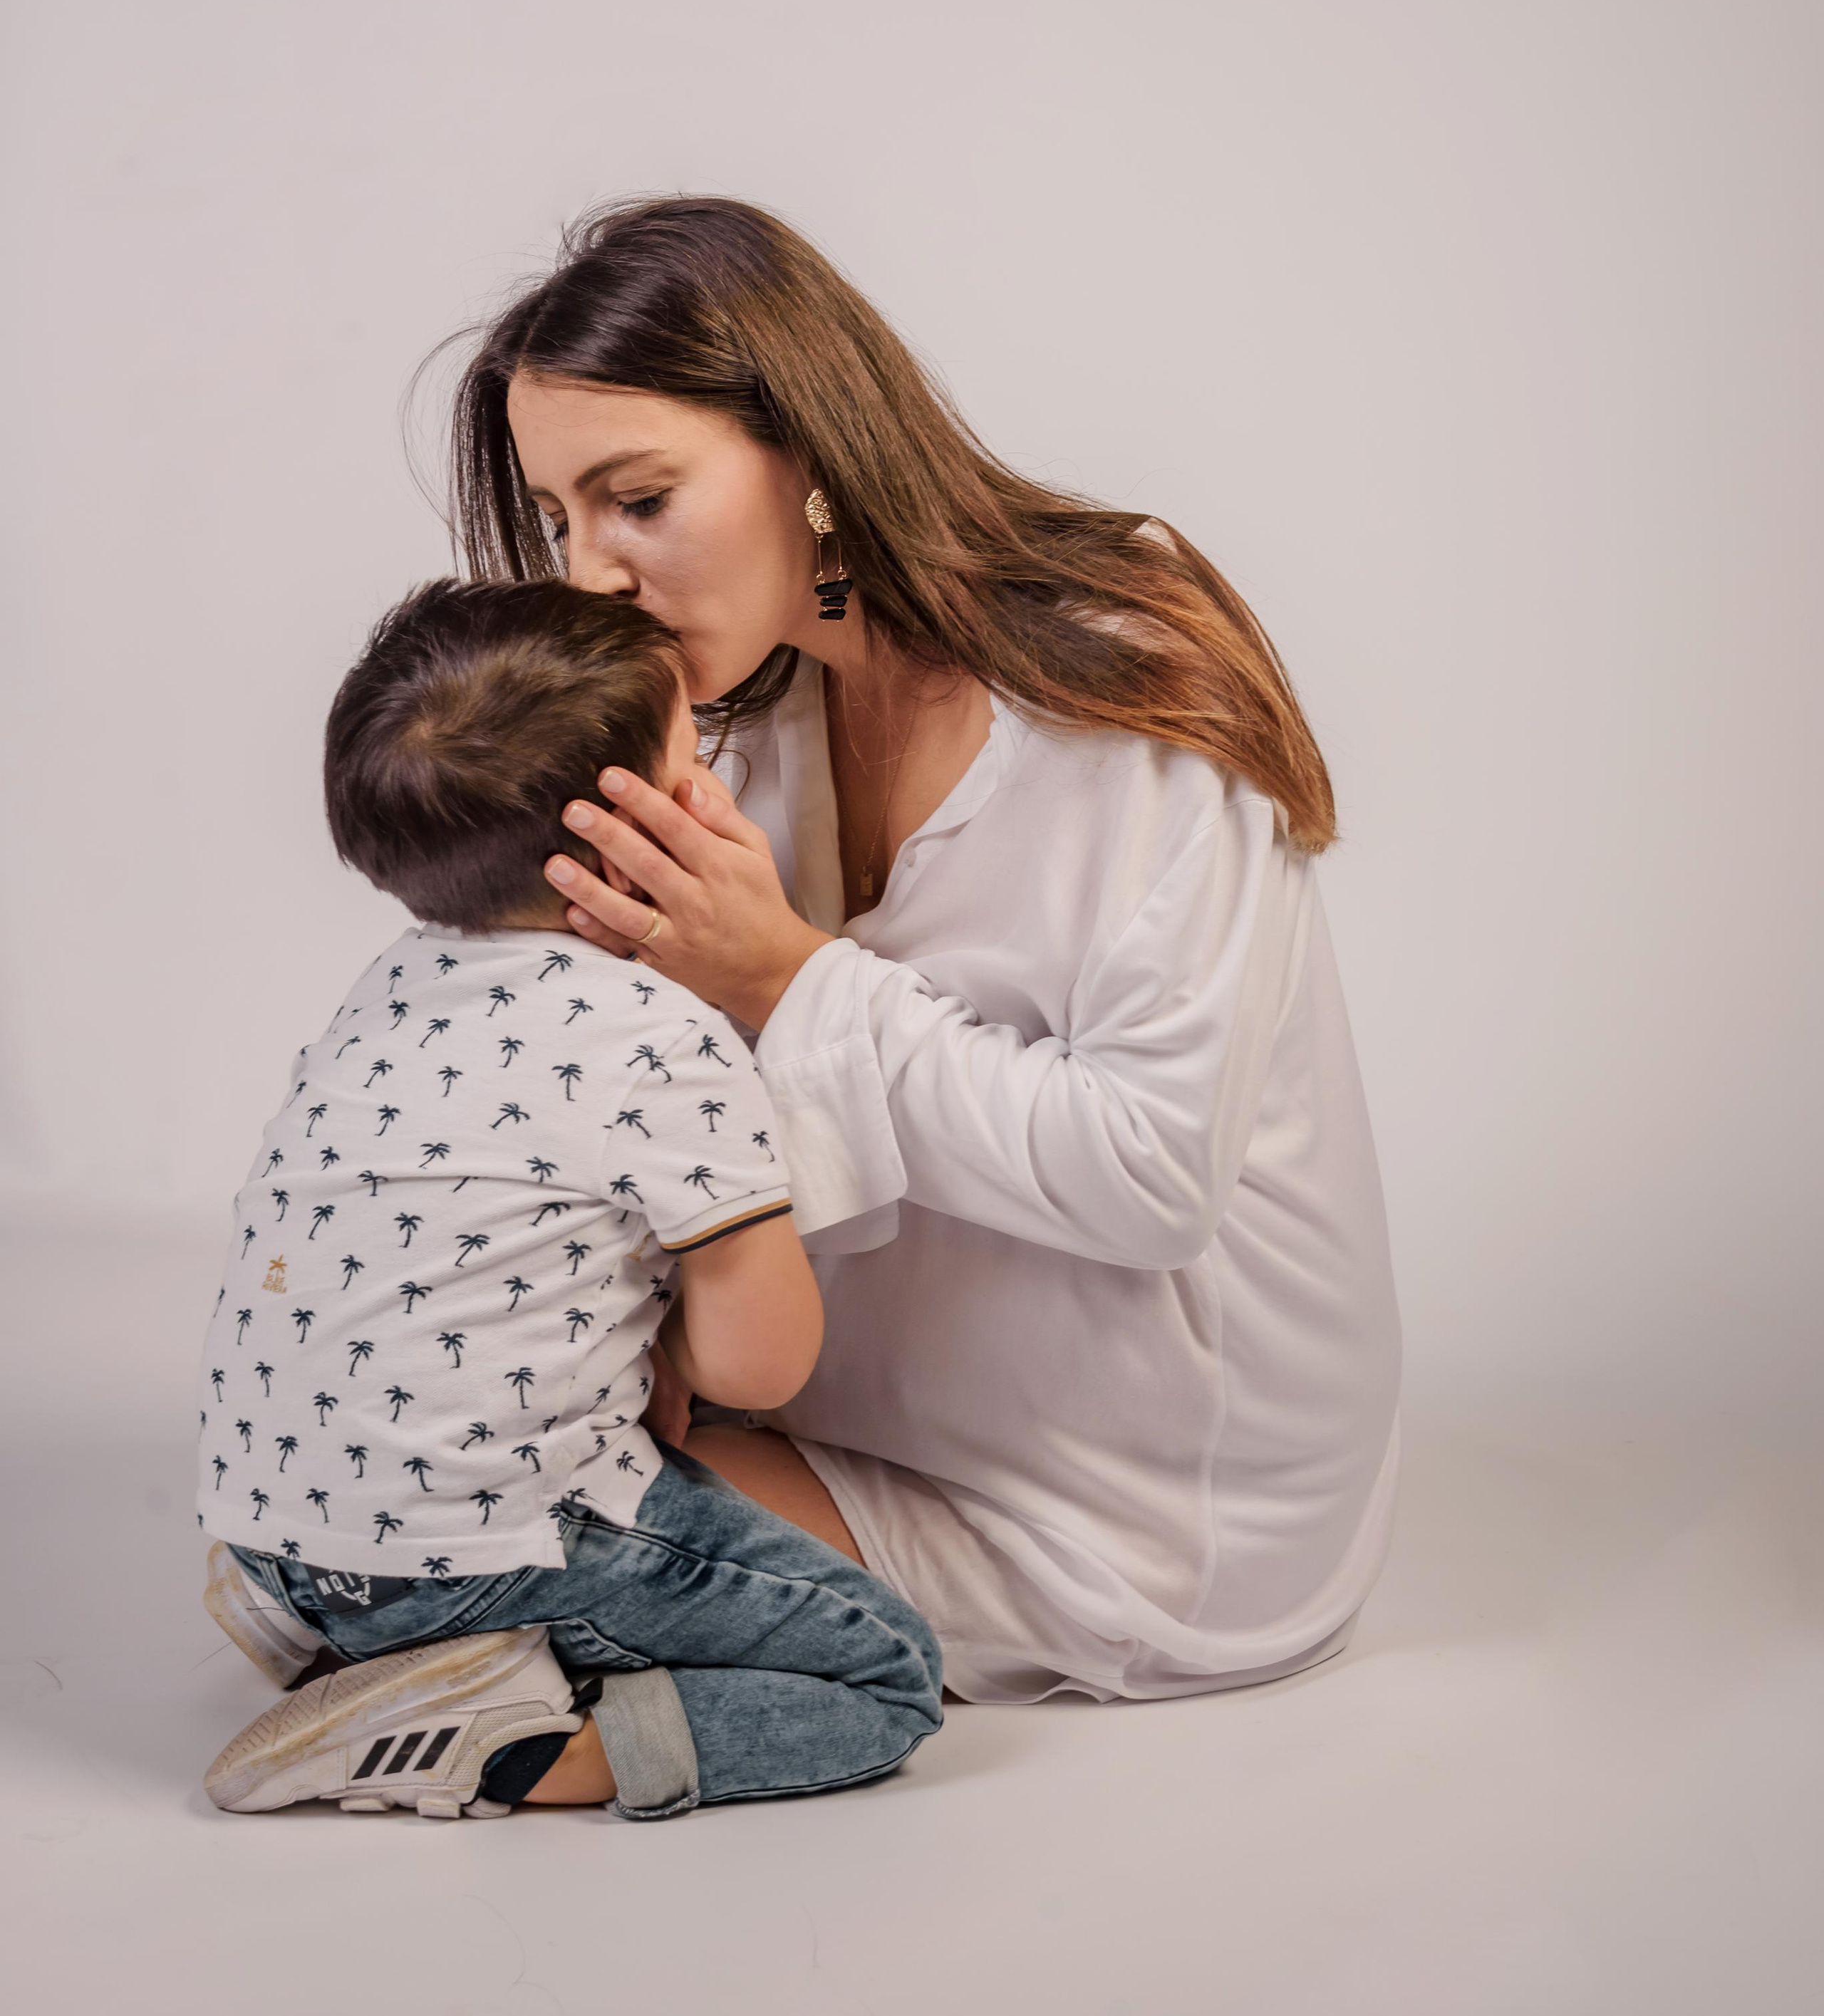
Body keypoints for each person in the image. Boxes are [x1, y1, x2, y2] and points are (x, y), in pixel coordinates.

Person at [445, 194, 1403, 1705]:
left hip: (1148, 1505)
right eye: (562, 520)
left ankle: (526, 1722)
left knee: (458, 1563)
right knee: (400, 1501)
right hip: (866, 1422)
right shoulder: (743, 734)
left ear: (809, 452)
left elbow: (1153, 1174)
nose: (593, 577)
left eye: (638, 500)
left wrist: (779, 976)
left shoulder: (1116, 662)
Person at [197, 577, 942, 1818]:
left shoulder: (379, 995)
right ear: (625, 831)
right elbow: (762, 1367)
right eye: (686, 755)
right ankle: (489, 1741)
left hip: (277, 1519)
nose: (715, 779)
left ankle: (336, 1618)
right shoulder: (659, 1031)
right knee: (886, 1676)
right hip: (491, 1546)